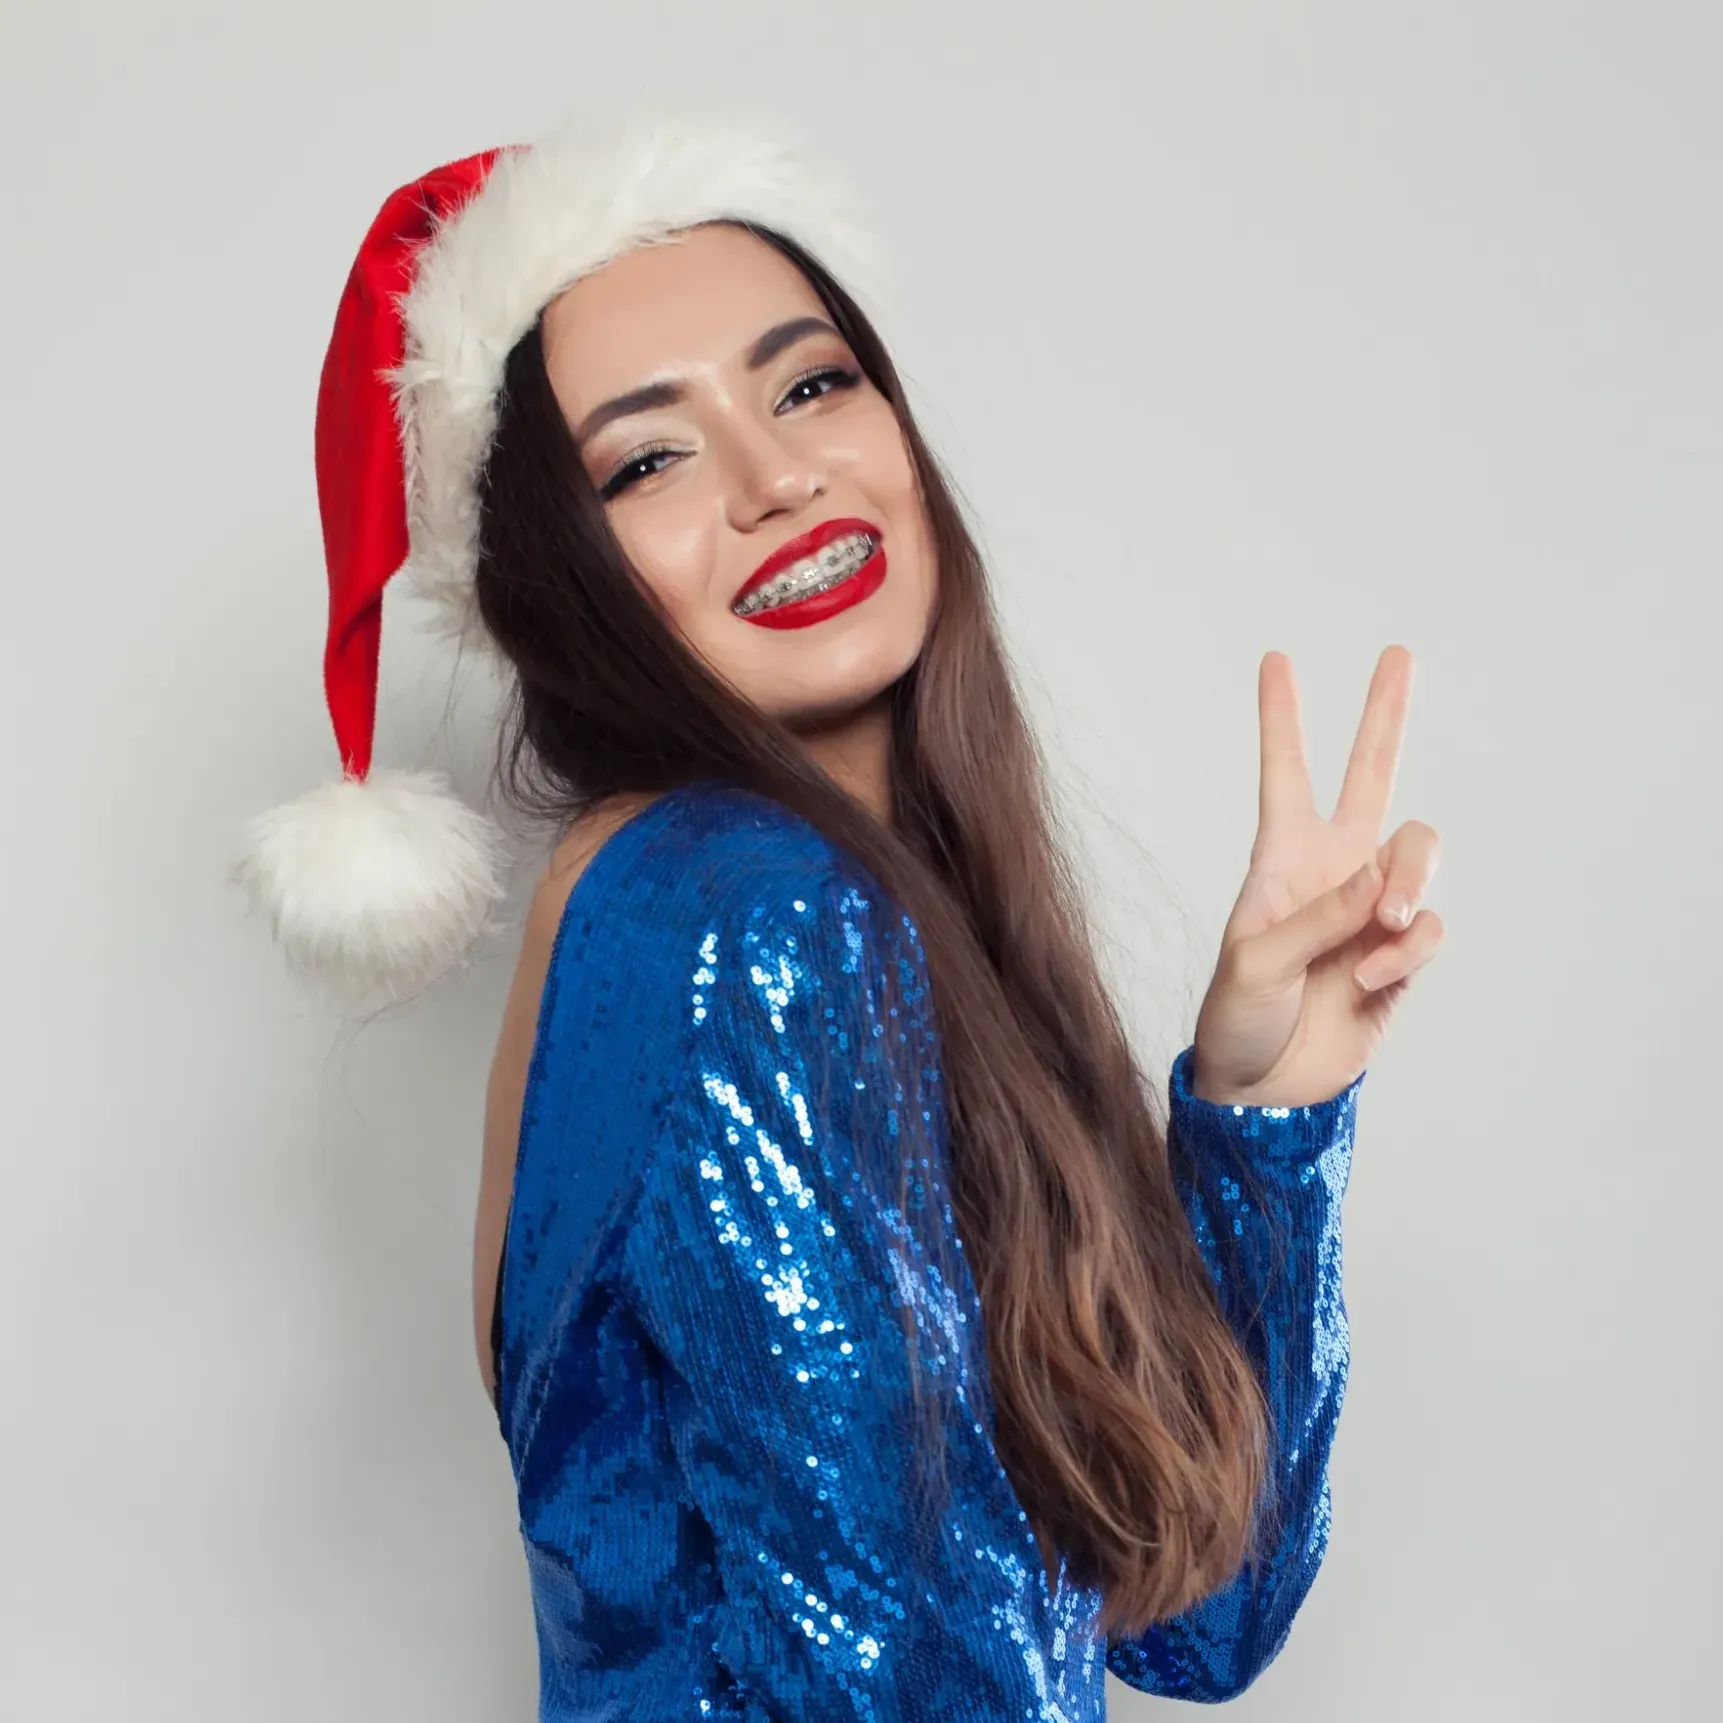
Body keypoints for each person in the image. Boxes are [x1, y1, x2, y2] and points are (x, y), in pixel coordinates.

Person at [231, 108, 1444, 1719]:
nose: (774, 476)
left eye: (809, 383)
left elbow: (1190, 1619)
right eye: (647, 457)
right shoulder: (741, 910)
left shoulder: (750, 908)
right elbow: (901, 1668)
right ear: (555, 580)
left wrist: (1265, 1110)